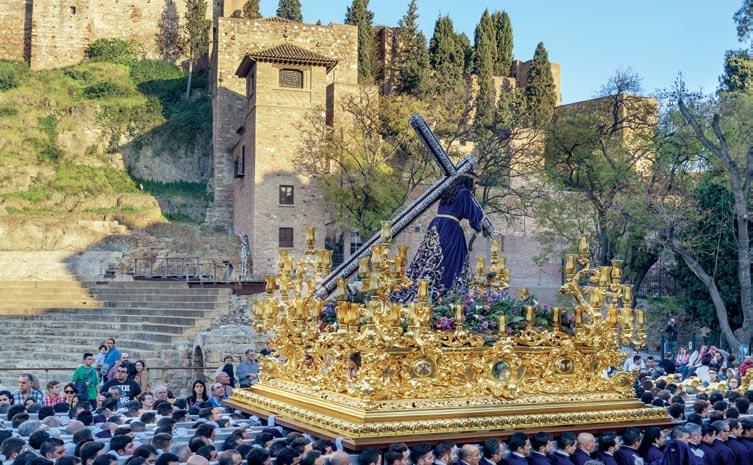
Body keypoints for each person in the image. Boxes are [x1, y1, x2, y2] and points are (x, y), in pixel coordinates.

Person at [398, 172, 488, 302]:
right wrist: (478, 227)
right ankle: (444, 296)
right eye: (476, 183)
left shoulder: (448, 192)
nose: (477, 187)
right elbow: (475, 214)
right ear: (469, 181)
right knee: (449, 261)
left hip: (435, 226)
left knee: (429, 258)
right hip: (450, 228)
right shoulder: (465, 193)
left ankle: (421, 289)